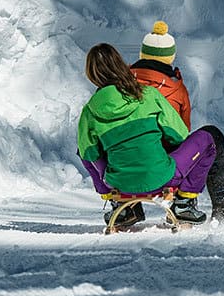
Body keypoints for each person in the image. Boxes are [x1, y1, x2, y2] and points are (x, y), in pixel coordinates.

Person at [77, 43, 216, 226]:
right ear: (121, 65)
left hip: (118, 183)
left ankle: (120, 205)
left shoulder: (89, 110)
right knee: (207, 139)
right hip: (163, 177)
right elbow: (179, 135)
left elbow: (89, 154)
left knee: (84, 147)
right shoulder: (148, 94)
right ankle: (184, 202)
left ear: (91, 74)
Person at [130, 21, 224, 221]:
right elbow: (180, 133)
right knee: (212, 137)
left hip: (122, 170)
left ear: (142, 54)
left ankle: (130, 208)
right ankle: (222, 207)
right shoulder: (175, 89)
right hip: (163, 170)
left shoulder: (118, 85)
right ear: (170, 57)